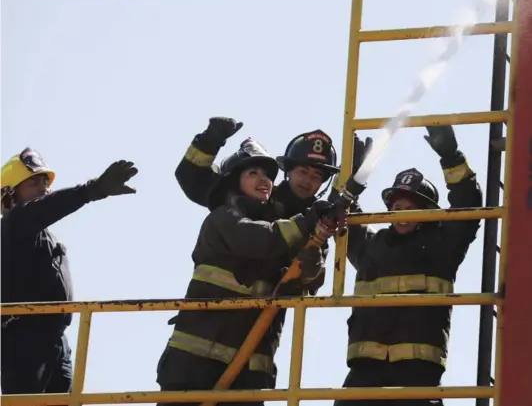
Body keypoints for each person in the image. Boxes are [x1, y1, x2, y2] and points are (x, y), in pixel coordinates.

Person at [156, 138, 337, 406]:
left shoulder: (292, 225)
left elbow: (310, 282)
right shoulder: (224, 217)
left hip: (252, 364)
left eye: (266, 175)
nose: (263, 179)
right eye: (253, 173)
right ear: (234, 181)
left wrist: (310, 261)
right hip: (196, 360)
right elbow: (257, 240)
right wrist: (308, 220)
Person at [330, 126, 483, 406]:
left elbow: (469, 209)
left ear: (427, 214)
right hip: (364, 376)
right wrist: (350, 176)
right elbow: (338, 212)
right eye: (397, 206)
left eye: (412, 207)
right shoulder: (369, 246)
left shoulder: (443, 248)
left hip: (418, 376)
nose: (402, 213)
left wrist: (451, 157)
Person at [1, 147, 138, 395]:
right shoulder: (14, 225)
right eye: (34, 183)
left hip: (52, 338)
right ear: (9, 197)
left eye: (46, 182)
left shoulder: (39, 235)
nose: (44, 188)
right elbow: (47, 207)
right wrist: (91, 190)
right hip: (22, 339)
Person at [175, 116, 341, 292]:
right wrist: (209, 141)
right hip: (209, 317)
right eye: (303, 171)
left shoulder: (314, 221)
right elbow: (193, 180)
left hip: (262, 318)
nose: (307, 181)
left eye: (316, 176)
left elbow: (311, 282)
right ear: (288, 171)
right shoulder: (236, 208)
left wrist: (311, 263)